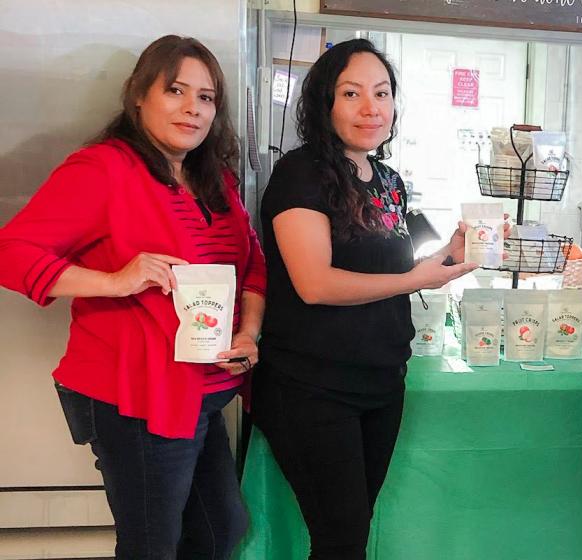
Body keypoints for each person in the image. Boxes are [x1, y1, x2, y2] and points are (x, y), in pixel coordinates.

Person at [0, 35, 265, 558]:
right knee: (152, 546)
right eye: (175, 90)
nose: (192, 107)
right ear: (139, 95)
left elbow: (252, 264)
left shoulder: (214, 178)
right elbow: (11, 252)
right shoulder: (104, 170)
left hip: (201, 394)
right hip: (137, 396)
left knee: (219, 532)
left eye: (207, 97)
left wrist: (248, 333)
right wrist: (114, 280)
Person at [250, 38, 479, 559]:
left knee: (350, 532)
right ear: (324, 103)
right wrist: (414, 280)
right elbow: (316, 283)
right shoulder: (301, 174)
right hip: (310, 387)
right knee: (342, 540)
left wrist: (451, 251)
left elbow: (398, 267)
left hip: (379, 383)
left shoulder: (388, 181)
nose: (370, 107)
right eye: (351, 93)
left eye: (381, 93)